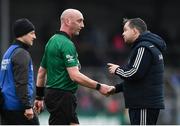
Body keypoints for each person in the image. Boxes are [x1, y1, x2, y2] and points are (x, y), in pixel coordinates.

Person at [34, 8, 114, 125]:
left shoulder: (51, 41)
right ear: (67, 21)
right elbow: (75, 76)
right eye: (79, 21)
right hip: (62, 96)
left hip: (54, 95)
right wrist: (99, 87)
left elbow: (41, 72)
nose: (82, 25)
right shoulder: (66, 44)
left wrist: (39, 97)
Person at [107, 18, 166, 125]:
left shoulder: (143, 48)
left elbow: (134, 73)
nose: (122, 33)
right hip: (143, 103)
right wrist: (116, 88)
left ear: (134, 31)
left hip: (143, 104)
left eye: (125, 30)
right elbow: (140, 79)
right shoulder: (148, 46)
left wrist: (117, 70)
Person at [0, 18, 39, 125]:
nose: (34, 37)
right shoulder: (21, 53)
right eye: (32, 33)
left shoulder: (8, 52)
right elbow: (21, 83)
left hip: (6, 107)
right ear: (23, 34)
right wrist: (27, 106)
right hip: (19, 109)